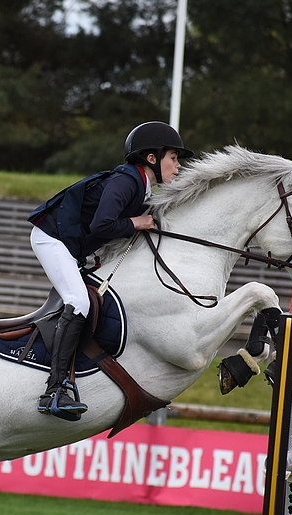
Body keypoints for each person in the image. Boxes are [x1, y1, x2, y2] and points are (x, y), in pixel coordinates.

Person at [27, 121, 193, 421]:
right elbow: (102, 225)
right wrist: (138, 223)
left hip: (73, 243)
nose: (178, 167)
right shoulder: (127, 181)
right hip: (51, 238)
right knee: (78, 301)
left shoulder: (140, 186)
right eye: (174, 158)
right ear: (152, 159)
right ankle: (54, 391)